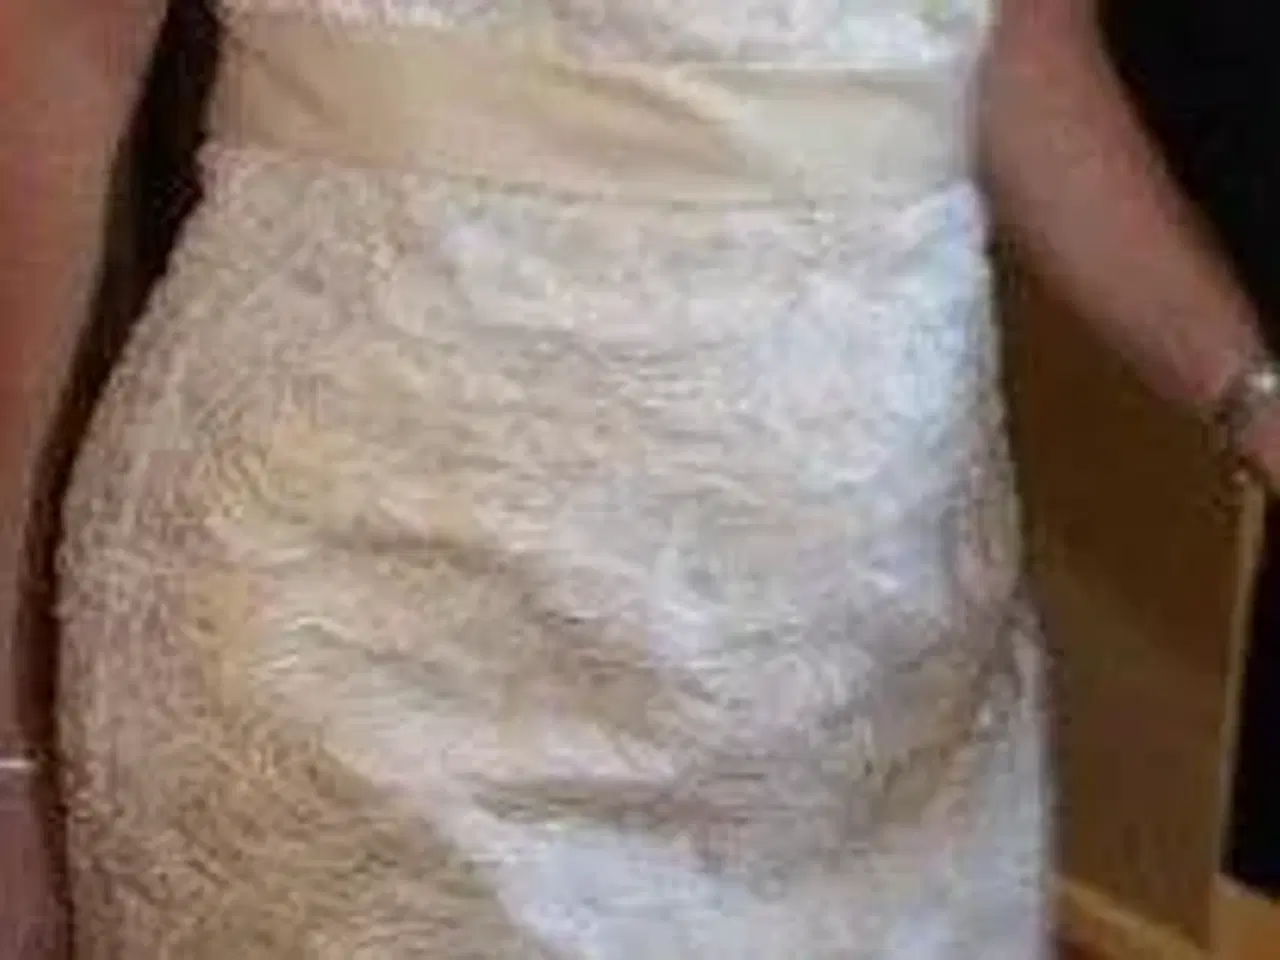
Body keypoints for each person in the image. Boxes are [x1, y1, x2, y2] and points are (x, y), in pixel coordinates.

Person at [3, 0, 1280, 956]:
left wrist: (1247, 391)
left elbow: (1011, 48)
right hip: (358, 628)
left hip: (869, 697)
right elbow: (55, 59)